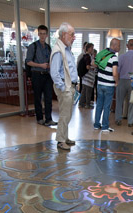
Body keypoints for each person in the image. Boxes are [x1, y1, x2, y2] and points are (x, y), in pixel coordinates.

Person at [50, 22, 79, 151]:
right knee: (64, 115)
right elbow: (54, 73)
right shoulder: (58, 51)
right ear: (63, 35)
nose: (74, 37)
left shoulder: (67, 49)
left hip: (70, 86)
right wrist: (63, 88)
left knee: (67, 114)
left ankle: (65, 137)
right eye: (72, 35)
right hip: (65, 87)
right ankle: (61, 141)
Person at [25, 24, 56, 126]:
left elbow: (50, 60)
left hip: (47, 75)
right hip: (37, 74)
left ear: (47, 35)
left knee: (48, 97)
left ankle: (48, 118)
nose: (42, 36)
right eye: (41, 34)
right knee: (38, 98)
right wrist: (40, 65)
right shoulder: (33, 46)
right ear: (38, 34)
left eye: (44, 34)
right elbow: (28, 61)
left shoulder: (48, 47)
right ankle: (39, 118)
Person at [93, 38, 120, 134]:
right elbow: (115, 73)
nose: (119, 47)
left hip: (100, 84)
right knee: (107, 106)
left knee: (99, 105)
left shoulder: (103, 53)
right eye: (119, 45)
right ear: (115, 45)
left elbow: (94, 64)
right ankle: (105, 126)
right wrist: (116, 82)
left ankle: (96, 125)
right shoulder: (114, 57)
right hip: (109, 85)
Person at [115, 39, 133, 127]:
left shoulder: (121, 57)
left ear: (127, 46)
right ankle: (130, 121)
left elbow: (117, 70)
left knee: (119, 101)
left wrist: (117, 82)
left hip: (122, 80)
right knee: (132, 103)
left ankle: (118, 119)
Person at [78, 43, 95, 109]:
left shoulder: (85, 55)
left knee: (84, 90)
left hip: (85, 77)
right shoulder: (88, 56)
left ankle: (81, 103)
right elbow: (88, 67)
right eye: (92, 48)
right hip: (88, 77)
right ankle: (87, 104)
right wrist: (93, 67)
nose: (92, 49)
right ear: (89, 48)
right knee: (88, 91)